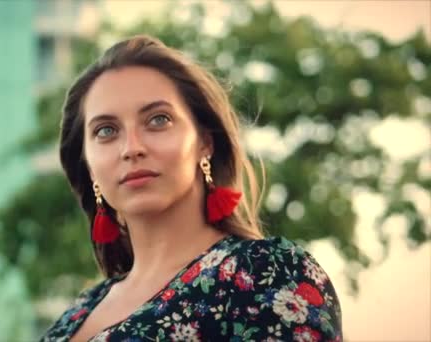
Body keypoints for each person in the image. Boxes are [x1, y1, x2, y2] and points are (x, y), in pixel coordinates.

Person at [40, 35, 342, 341]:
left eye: (158, 120)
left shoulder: (268, 275)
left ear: (205, 143)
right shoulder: (78, 311)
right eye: (106, 130)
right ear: (88, 164)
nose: (131, 148)